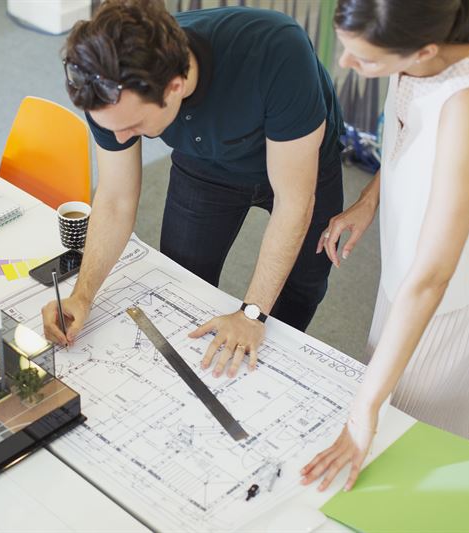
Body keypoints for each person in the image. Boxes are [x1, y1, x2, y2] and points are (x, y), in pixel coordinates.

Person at [41, 0, 344, 379]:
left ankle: (267, 372)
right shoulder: (105, 89)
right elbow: (115, 199)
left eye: (133, 126)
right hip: (204, 159)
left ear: (175, 87)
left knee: (301, 285)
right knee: (183, 277)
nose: (120, 138)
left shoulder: (276, 50)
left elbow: (294, 203)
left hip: (297, 160)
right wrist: (82, 295)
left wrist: (252, 314)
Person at [302, 0, 469, 492]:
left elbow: (432, 278)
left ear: (425, 50)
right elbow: (409, 138)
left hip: (450, 294)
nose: (345, 63)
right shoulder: (423, 44)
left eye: (365, 58)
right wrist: (370, 200)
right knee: (382, 395)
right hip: (410, 263)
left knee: (414, 437)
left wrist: (364, 409)